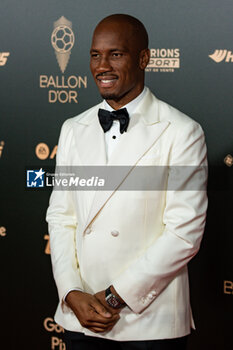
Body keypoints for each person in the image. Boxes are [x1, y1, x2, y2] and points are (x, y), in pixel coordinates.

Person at [46, 14, 208, 350]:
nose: (102, 66)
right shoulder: (73, 129)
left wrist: (114, 297)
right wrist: (71, 291)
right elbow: (61, 218)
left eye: (115, 54)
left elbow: (184, 232)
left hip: (149, 323)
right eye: (95, 55)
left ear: (143, 58)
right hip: (81, 317)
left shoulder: (182, 131)